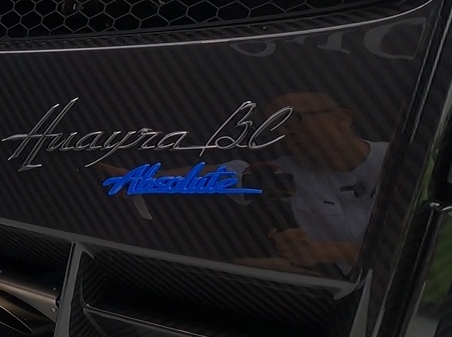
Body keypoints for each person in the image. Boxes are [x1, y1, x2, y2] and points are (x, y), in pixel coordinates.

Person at [99, 92, 388, 274]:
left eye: (291, 119)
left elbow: (406, 252)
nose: (283, 132)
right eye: (274, 127)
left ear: (341, 118)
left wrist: (322, 252)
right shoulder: (282, 172)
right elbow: (222, 173)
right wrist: (145, 180)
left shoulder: (402, 161)